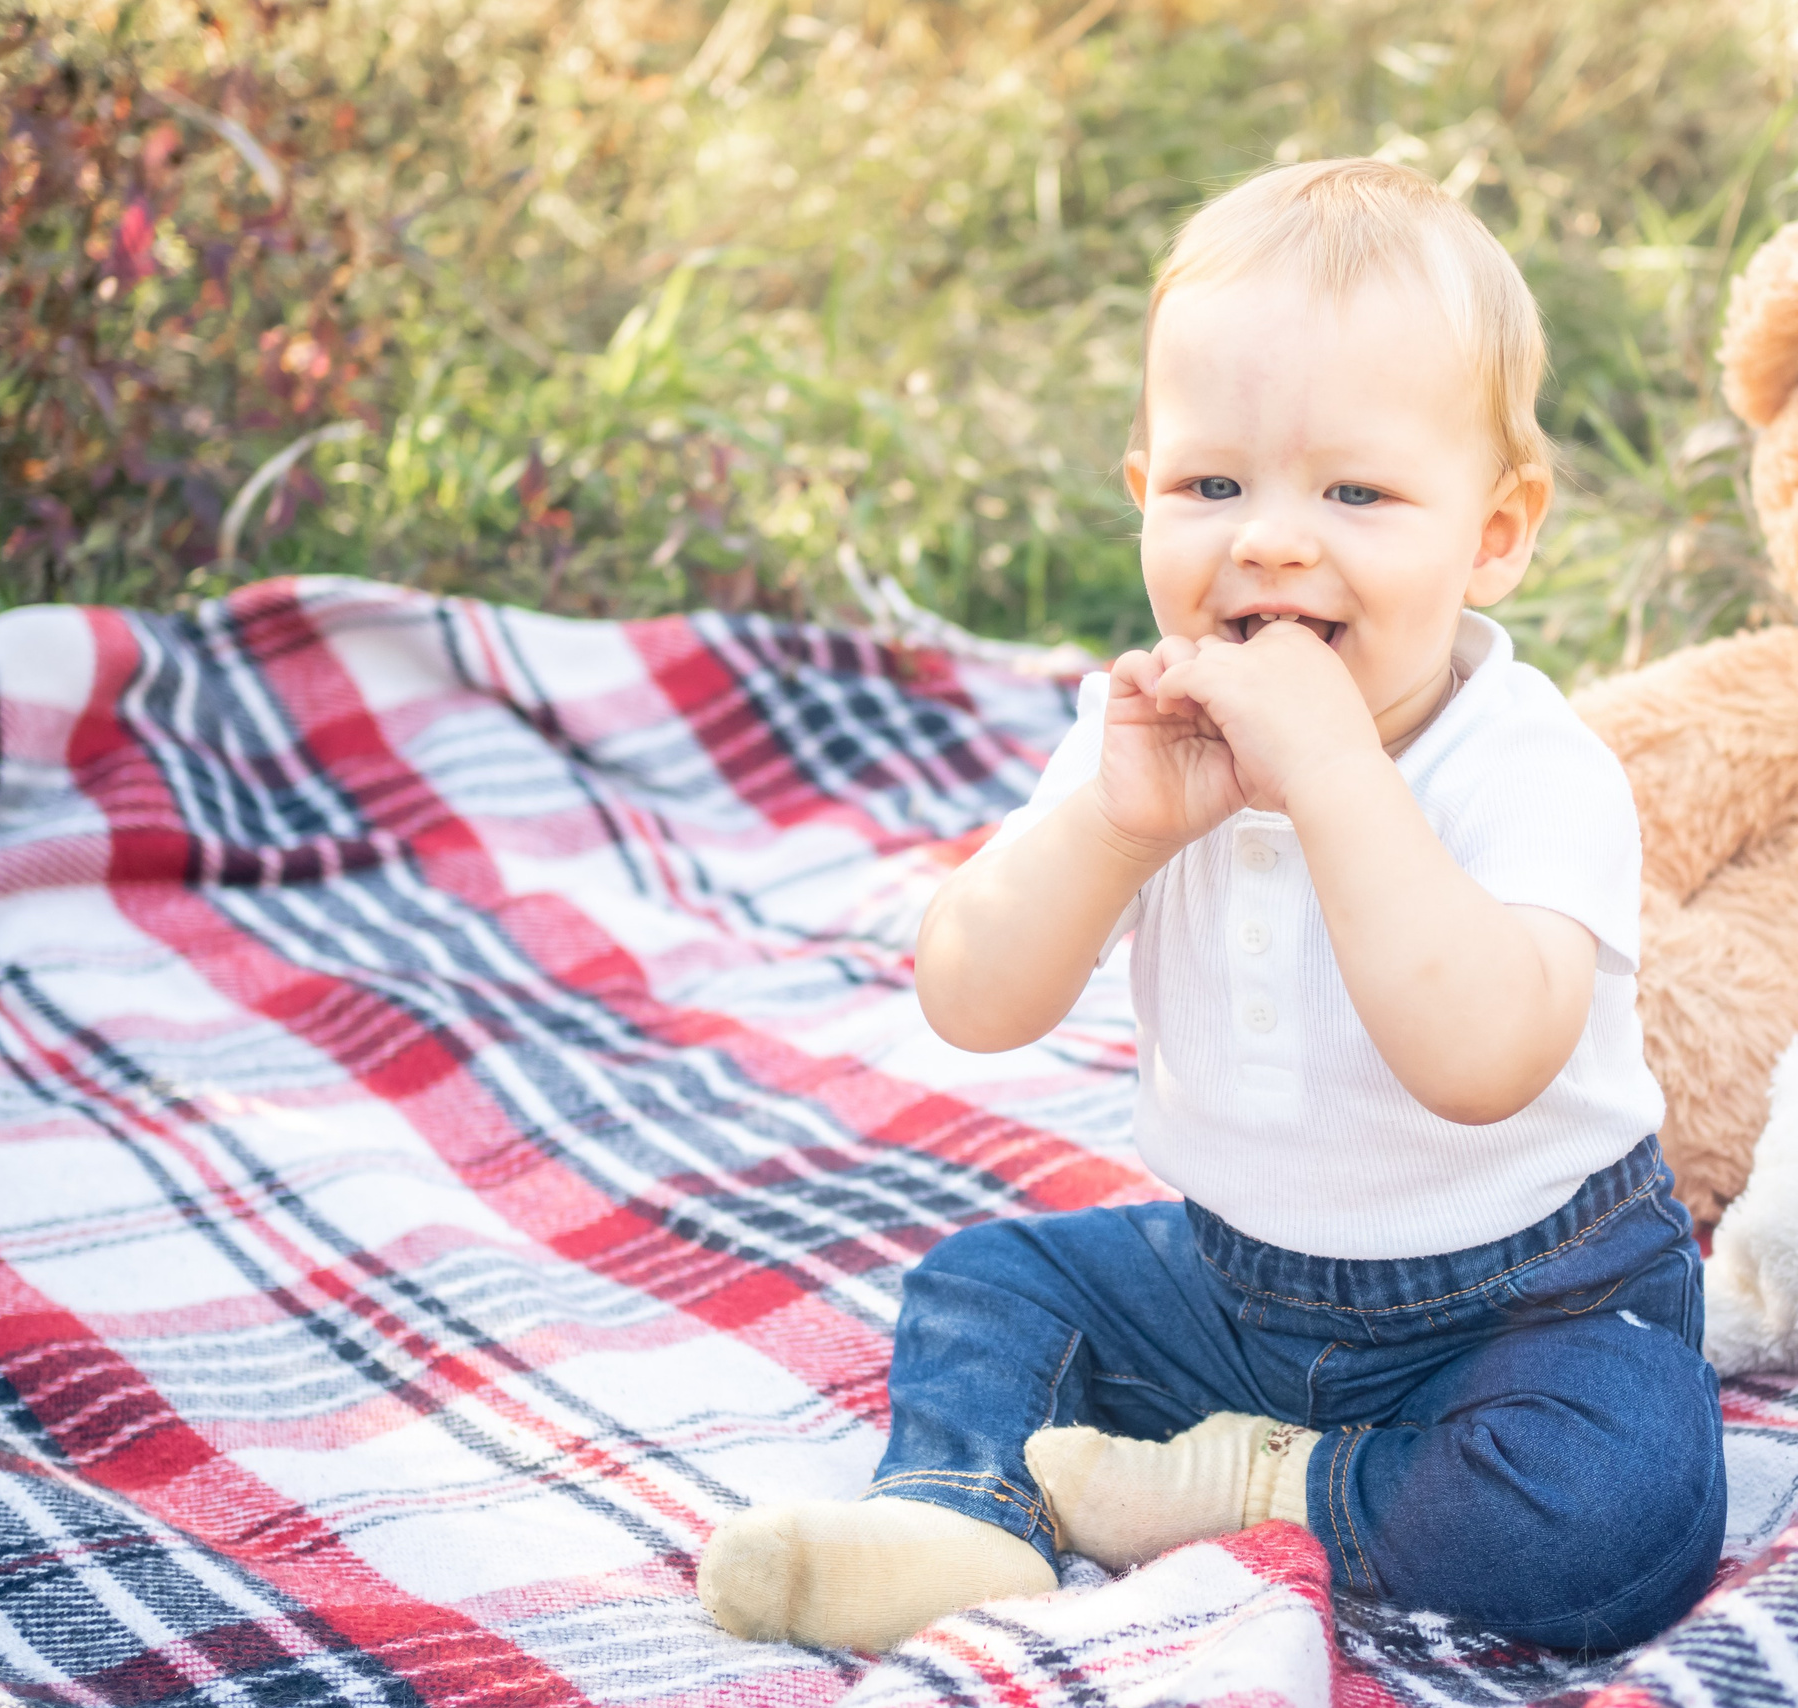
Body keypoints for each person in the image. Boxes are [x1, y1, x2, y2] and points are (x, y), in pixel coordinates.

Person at [696, 156, 1725, 1656]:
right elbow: (972, 998)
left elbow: (1485, 1057)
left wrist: (1329, 774)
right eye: (1212, 484)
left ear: (1495, 532)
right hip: (1234, 1286)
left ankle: (1269, 1486)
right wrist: (1114, 835)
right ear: (1142, 498)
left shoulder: (1529, 764)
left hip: (1529, 1304)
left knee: (1613, 1513)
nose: (1271, 538)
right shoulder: (1148, 742)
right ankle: (960, 1517)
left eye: (1357, 491)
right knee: (987, 1284)